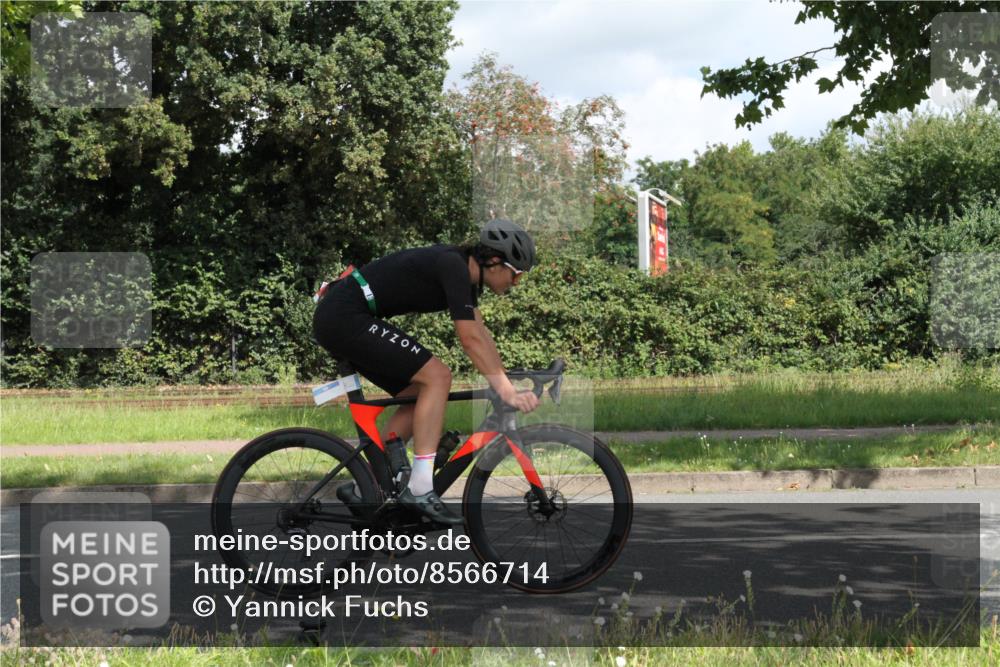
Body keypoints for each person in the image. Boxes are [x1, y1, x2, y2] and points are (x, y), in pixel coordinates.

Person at [313, 219, 540, 524]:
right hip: (343, 316)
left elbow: (480, 334)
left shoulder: (465, 278)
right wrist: (505, 390)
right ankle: (420, 488)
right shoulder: (453, 265)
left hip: (345, 316)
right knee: (438, 377)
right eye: (517, 275)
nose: (516, 283)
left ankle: (367, 484)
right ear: (496, 261)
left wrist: (505, 379)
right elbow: (469, 340)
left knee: (419, 394)